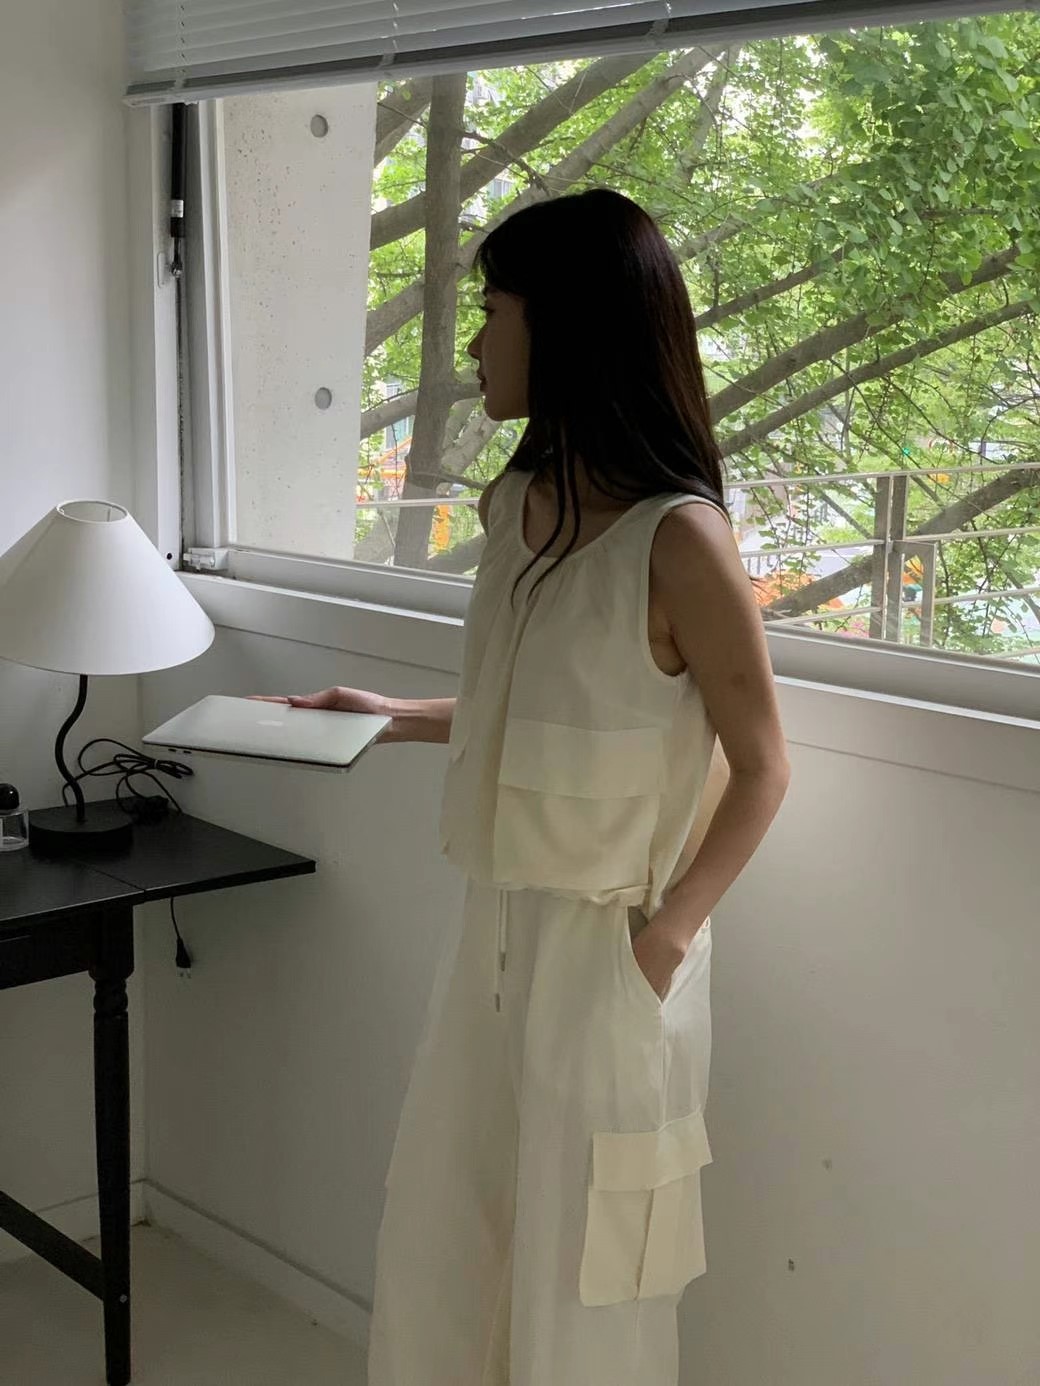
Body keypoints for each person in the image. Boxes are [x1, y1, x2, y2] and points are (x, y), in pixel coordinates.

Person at [260, 188, 789, 1386]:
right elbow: (534, 724)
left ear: (567, 325)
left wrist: (663, 940)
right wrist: (384, 714)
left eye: (493, 308)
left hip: (612, 954)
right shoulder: (519, 509)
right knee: (456, 1229)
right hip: (492, 932)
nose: (474, 340)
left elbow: (761, 764)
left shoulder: (678, 539)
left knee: (591, 1275)